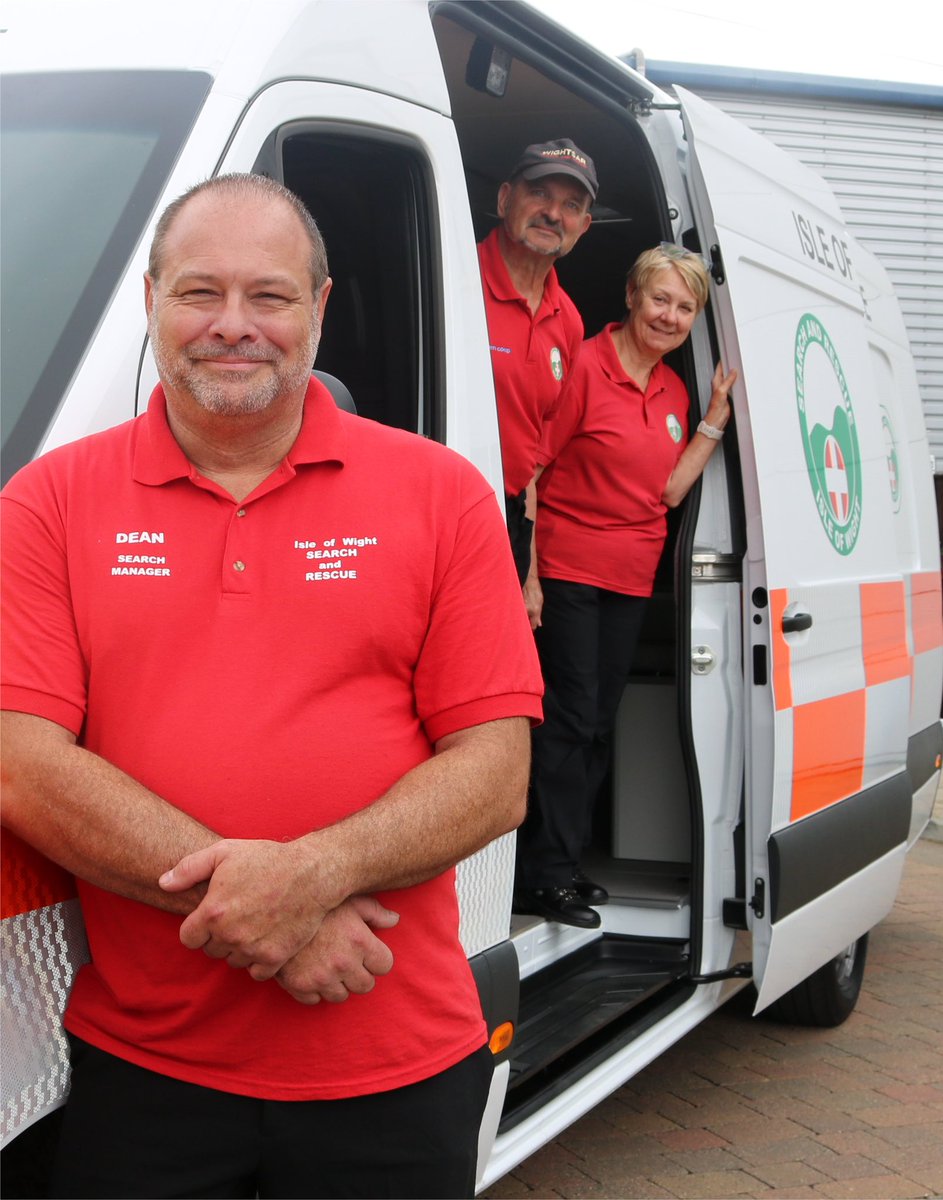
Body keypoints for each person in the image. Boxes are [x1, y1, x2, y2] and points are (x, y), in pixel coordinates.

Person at [0, 173, 543, 1199]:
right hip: (146, 1076)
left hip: (396, 1065)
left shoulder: (442, 495)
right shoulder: (48, 503)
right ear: (151, 299)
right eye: (200, 292)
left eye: (270, 295)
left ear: (320, 308)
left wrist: (316, 872)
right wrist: (277, 912)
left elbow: (495, 771)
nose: (233, 325)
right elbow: (23, 766)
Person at [514, 243, 738, 928]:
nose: (669, 316)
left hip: (631, 576)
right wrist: (528, 575)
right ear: (632, 296)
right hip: (569, 570)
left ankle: (565, 862)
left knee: (598, 725)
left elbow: (668, 492)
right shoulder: (583, 365)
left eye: (684, 307)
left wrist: (713, 420)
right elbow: (530, 473)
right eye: (659, 298)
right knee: (569, 721)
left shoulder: (673, 390)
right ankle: (541, 876)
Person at [477, 138, 596, 626]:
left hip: (506, 523)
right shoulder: (454, 275)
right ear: (505, 198)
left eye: (571, 205)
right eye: (540, 193)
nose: (552, 213)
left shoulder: (568, 322)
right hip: (434, 512)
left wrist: (529, 574)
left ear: (583, 227)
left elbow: (532, 456)